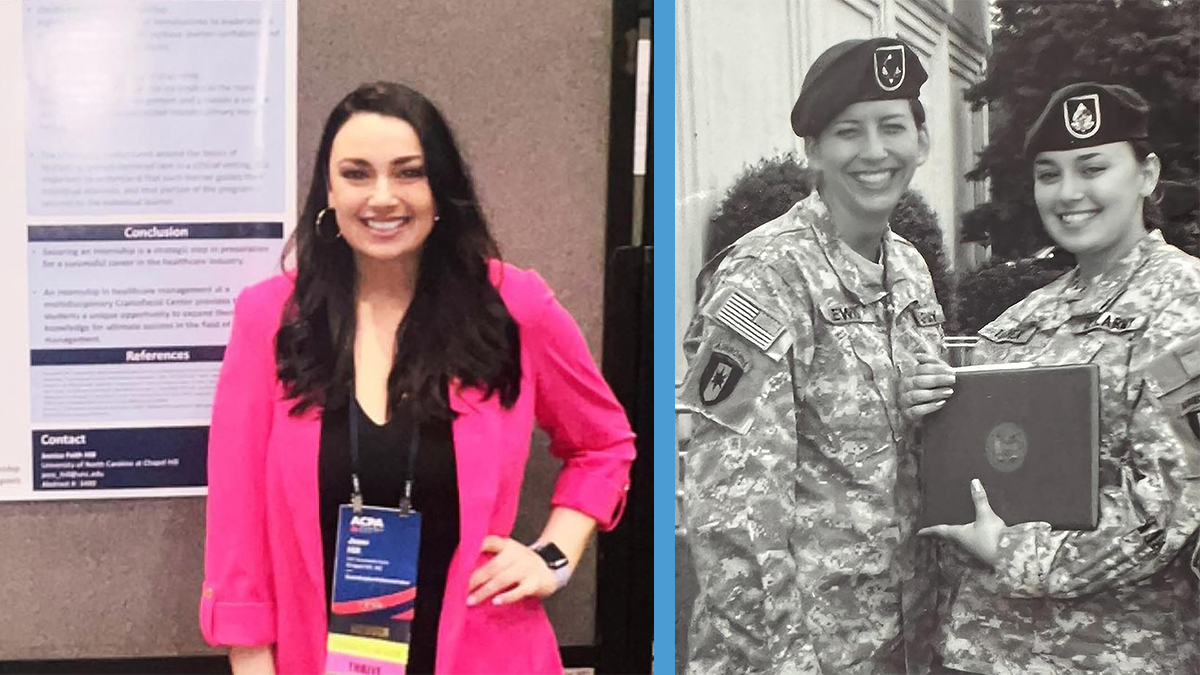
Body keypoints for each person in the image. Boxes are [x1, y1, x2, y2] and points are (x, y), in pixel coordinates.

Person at [199, 81, 636, 675]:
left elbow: (604, 444)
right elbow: (238, 517)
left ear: (442, 188)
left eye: (409, 173)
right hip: (316, 657)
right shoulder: (270, 319)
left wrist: (553, 556)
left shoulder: (513, 308)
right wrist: (251, 660)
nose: (383, 197)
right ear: (328, 190)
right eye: (357, 174)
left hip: (485, 654)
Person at [677, 37, 954, 674]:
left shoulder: (910, 269)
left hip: (900, 641)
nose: (875, 151)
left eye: (892, 127)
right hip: (795, 652)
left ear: (921, 141)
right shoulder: (765, 276)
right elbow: (732, 512)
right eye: (848, 131)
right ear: (813, 150)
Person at [909, 82, 1200, 674]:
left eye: (1093, 168)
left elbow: (1175, 503)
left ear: (1147, 175)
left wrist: (1015, 552)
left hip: (1110, 656)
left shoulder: (1184, 306)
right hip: (983, 651)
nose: (1068, 193)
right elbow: (978, 466)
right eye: (1049, 174)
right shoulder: (1021, 319)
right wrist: (932, 409)